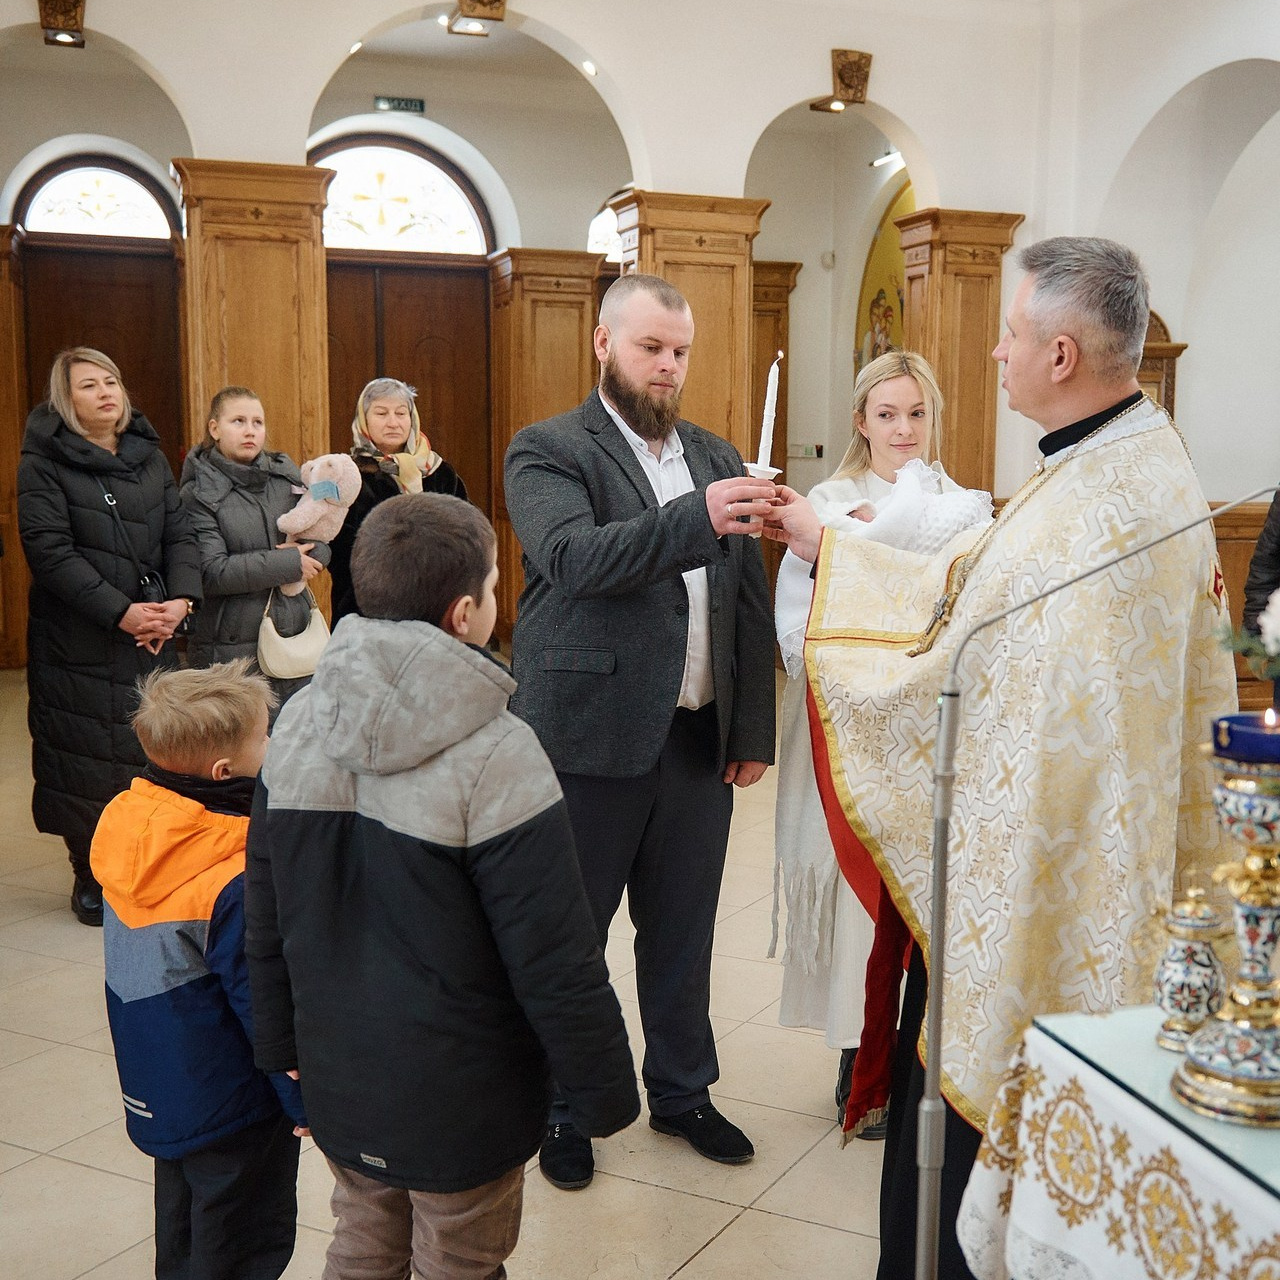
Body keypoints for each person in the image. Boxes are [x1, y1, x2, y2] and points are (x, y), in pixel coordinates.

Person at [763, 237, 1235, 1279]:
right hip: (1084, 857)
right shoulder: (1122, 460)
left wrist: (830, 562)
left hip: (1043, 894)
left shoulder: (1095, 505)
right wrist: (834, 549)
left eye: (1010, 332)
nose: (992, 352)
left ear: (1059, 354)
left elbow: (960, 652)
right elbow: (974, 590)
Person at [244, 493, 638, 1279]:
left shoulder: (296, 722)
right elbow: (554, 952)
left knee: (361, 1242)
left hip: (339, 1068)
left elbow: (267, 911)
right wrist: (601, 1092)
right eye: (497, 586)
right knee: (461, 1258)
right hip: (466, 1095)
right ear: (466, 613)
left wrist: (280, 1044)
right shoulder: (501, 750)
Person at [504, 272, 777, 1191]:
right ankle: (561, 1103)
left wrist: (752, 727)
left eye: (680, 351)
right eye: (650, 347)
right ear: (603, 344)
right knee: (570, 933)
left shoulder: (714, 450)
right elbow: (575, 561)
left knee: (683, 928)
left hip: (698, 737)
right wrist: (694, 517)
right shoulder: (548, 450)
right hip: (585, 734)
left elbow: (742, 596)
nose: (668, 366)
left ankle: (682, 1091)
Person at [771, 351, 991, 1140]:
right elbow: (801, 619)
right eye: (887, 414)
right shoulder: (827, 502)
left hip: (930, 728)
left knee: (919, 891)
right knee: (858, 894)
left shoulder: (962, 505)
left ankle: (914, 1054)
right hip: (849, 723)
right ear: (860, 420)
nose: (903, 429)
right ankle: (854, 1060)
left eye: (917, 414)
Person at [90, 659, 306, 1280]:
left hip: (158, 1081)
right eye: (266, 736)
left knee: (183, 1228)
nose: (275, 741)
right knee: (244, 1242)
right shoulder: (230, 875)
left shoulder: (129, 828)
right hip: (235, 1095)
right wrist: (301, 1101)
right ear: (223, 772)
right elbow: (261, 1001)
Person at [17, 347, 201, 927]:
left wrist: (180, 601)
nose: (105, 392)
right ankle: (88, 871)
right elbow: (49, 552)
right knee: (85, 751)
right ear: (65, 400)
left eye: (112, 381)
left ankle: (146, 860)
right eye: (89, 385)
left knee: (148, 747)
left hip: (153, 628)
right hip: (80, 636)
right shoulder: (43, 460)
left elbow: (181, 532)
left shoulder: (147, 454)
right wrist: (122, 612)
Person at [179, 386, 330, 717]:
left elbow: (317, 539)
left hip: (295, 637)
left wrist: (316, 553)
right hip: (231, 648)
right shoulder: (198, 494)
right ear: (214, 428)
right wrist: (290, 562)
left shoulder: (284, 477)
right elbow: (212, 572)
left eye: (257, 422)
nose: (250, 430)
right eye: (238, 421)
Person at [327, 376, 468, 624]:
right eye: (381, 413)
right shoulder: (347, 473)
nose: (393, 422)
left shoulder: (440, 472)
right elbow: (338, 547)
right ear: (364, 420)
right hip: (367, 605)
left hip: (434, 600)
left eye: (401, 413)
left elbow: (465, 533)